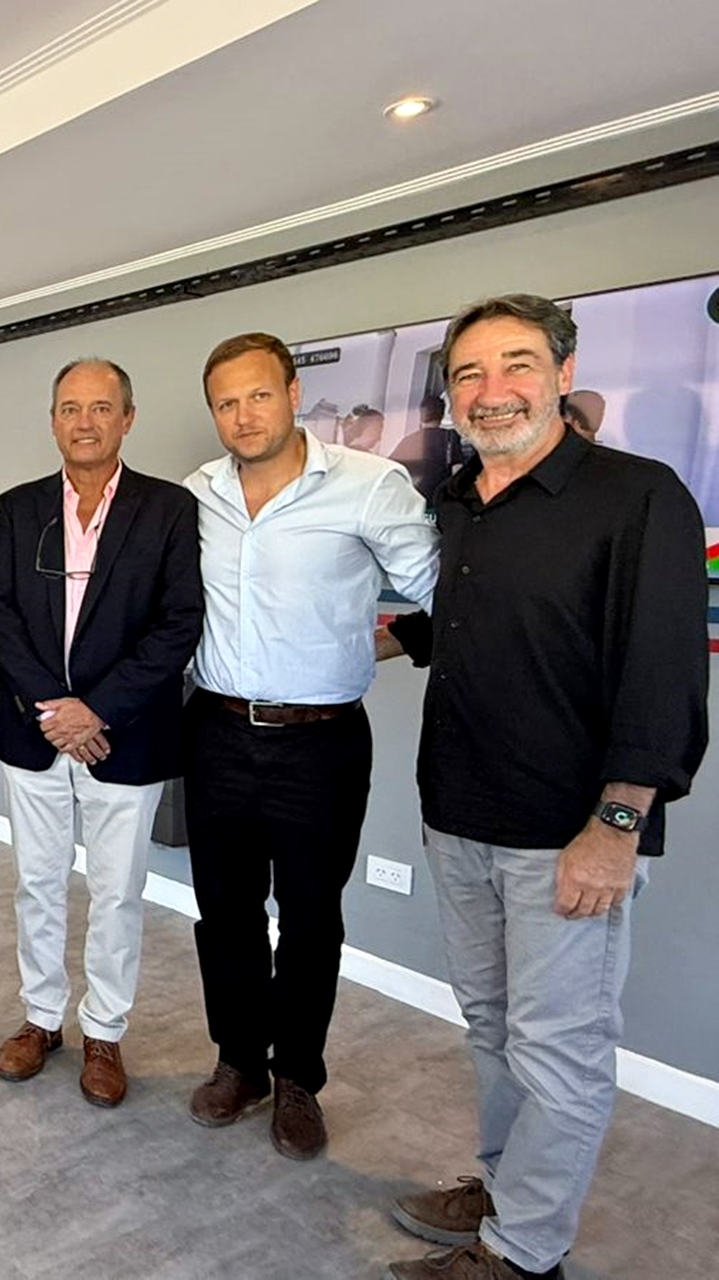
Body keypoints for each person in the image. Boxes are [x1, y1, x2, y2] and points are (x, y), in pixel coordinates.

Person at [384, 296, 707, 1280]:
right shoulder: (461, 499)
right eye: (470, 373)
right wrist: (357, 641)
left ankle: (524, 1253)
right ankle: (503, 1185)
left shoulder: (638, 495)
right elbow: (473, 621)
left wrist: (617, 825)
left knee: (559, 1047)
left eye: (516, 364)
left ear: (564, 373)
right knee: (492, 1026)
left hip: (568, 832)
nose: (493, 390)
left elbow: (662, 671)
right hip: (458, 815)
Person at [183, 332, 438, 1160]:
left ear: (294, 393)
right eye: (226, 402)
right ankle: (238, 1062)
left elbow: (451, 593)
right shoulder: (195, 497)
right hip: (217, 732)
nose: (243, 415)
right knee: (224, 915)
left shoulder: (369, 486)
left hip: (320, 744)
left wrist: (382, 646)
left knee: (311, 920)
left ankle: (297, 1077)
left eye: (258, 395)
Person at [0, 359, 202, 1102]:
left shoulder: (168, 510)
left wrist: (97, 710)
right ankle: (42, 1018)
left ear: (127, 418)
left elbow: (179, 624)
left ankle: (104, 1030)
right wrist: (55, 708)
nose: (85, 422)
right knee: (37, 883)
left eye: (101, 408)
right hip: (33, 732)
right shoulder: (17, 509)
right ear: (52, 421)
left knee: (117, 892)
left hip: (125, 735)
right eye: (70, 408)